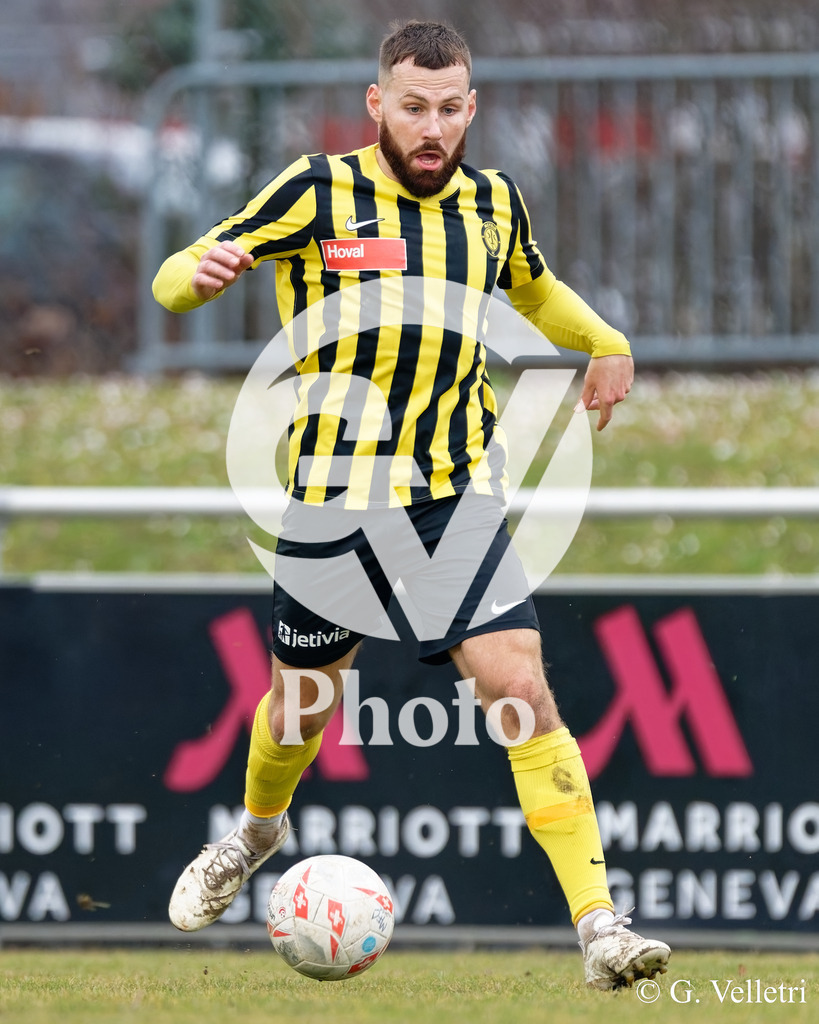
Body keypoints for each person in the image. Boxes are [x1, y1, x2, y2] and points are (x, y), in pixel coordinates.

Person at [153, 19, 670, 990]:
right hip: (332, 507)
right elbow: (178, 272)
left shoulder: (491, 203)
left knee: (518, 688)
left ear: (470, 109)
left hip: (452, 498)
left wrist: (606, 340)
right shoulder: (318, 191)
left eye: (448, 109)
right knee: (298, 713)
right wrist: (197, 276)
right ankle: (257, 831)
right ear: (377, 106)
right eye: (413, 108)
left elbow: (537, 288)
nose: (431, 128)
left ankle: (601, 925)